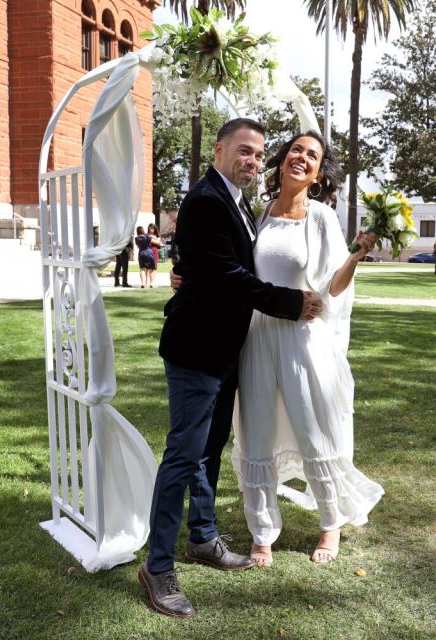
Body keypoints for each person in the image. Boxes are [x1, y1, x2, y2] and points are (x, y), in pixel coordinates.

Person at [140, 118, 324, 619]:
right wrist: (291, 303)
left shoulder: (239, 202)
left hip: (228, 351)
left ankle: (202, 538)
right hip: (196, 351)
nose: (252, 160)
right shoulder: (205, 199)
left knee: (209, 452)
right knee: (182, 456)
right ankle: (157, 567)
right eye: (243, 150)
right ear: (219, 150)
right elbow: (228, 276)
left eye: (258, 154)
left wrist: (187, 272)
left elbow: (212, 264)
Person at [233, 130, 384, 568]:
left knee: (314, 430)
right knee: (256, 430)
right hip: (258, 335)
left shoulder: (319, 217)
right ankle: (262, 533)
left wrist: (354, 256)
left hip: (302, 336)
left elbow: (332, 284)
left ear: (317, 175)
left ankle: (329, 523)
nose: (302, 157)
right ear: (282, 162)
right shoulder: (256, 214)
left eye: (312, 156)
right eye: (296, 150)